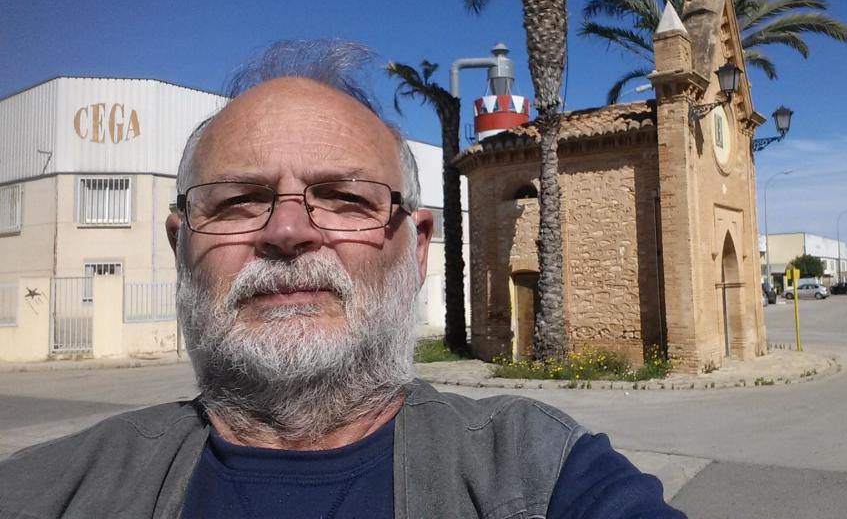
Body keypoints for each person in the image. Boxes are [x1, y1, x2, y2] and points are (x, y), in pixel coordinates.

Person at [0, 40, 686, 518]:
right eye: (238, 200)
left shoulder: (544, 472)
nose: (287, 231)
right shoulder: (45, 490)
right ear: (182, 247)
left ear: (417, 248)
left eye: (344, 198)